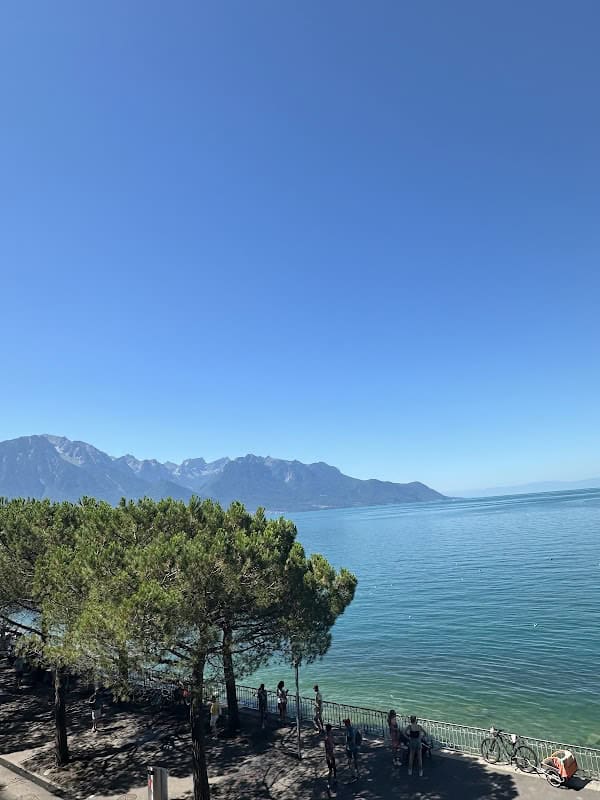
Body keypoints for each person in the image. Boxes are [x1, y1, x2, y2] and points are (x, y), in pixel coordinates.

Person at [324, 723, 337, 789]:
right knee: (333, 766)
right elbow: (331, 743)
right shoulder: (330, 735)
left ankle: (332, 779)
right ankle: (333, 778)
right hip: (331, 752)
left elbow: (327, 745)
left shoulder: (327, 736)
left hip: (329, 753)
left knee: (331, 766)